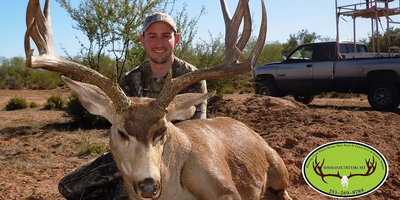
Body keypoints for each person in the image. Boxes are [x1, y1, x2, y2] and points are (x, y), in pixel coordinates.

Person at [58, 12, 207, 200]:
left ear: (176, 39)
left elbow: (196, 130)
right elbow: (121, 125)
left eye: (166, 36)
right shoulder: (131, 78)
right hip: (132, 154)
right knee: (69, 187)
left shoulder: (190, 78)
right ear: (143, 40)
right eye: (152, 36)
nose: (159, 43)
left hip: (176, 157)